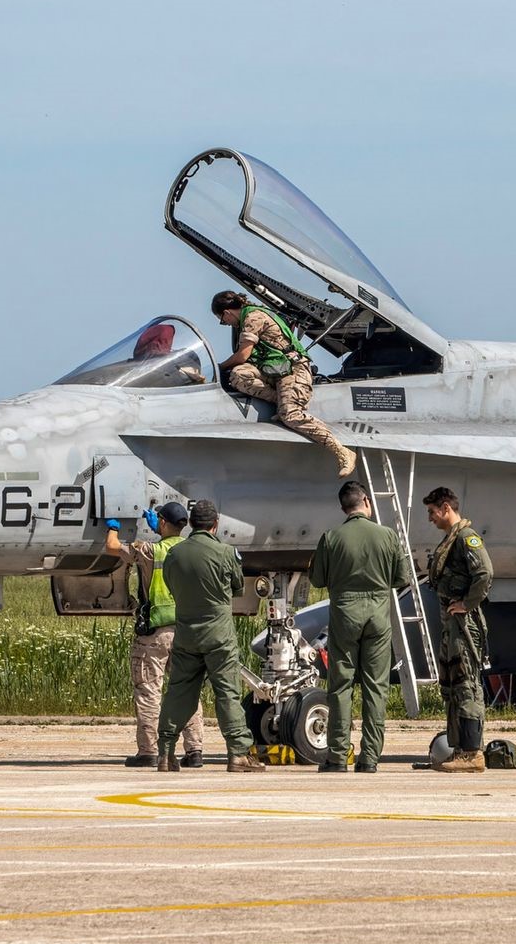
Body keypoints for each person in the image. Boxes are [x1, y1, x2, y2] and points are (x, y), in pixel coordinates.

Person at [307, 479, 414, 773]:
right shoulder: (388, 536)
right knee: (375, 687)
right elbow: (402, 578)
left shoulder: (331, 537)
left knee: (340, 685)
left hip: (344, 614)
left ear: (343, 508)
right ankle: (369, 758)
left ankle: (337, 755)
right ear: (366, 502)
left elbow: (317, 579)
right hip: (378, 616)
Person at [156, 499, 266, 773]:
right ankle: (238, 754)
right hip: (219, 635)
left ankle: (166, 752)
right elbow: (238, 588)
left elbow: (171, 585)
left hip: (186, 633)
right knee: (227, 692)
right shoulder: (226, 553)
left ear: (191, 524)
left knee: (179, 692)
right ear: (215, 525)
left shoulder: (175, 555)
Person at [210, 290, 357, 478]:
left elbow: (243, 355)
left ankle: (341, 451)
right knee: (239, 375)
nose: (226, 324)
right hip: (274, 369)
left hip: (293, 370)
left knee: (290, 415)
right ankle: (281, 401)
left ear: (227, 312)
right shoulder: (249, 315)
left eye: (223, 320)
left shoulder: (253, 317)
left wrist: (219, 367)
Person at [104, 503, 203, 768]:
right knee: (187, 691)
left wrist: (113, 527)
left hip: (155, 633)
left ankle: (148, 751)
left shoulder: (150, 551)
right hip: (186, 632)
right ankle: (194, 750)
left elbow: (112, 547)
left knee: (149, 691)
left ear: (161, 522)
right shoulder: (191, 551)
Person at [424, 485, 491, 773]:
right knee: (453, 685)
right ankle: (461, 749)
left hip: (464, 624)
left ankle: (472, 753)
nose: (431, 518)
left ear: (446, 508)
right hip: (452, 624)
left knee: (467, 684)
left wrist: (467, 603)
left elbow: (485, 573)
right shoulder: (452, 539)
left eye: (432, 512)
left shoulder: (466, 538)